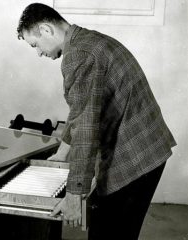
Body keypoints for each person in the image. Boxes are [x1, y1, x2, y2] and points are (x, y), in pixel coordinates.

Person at [17, 3, 176, 240]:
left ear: (46, 30)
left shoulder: (79, 57)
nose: (39, 52)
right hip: (148, 148)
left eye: (35, 45)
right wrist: (62, 155)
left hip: (134, 158)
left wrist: (74, 196)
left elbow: (86, 130)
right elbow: (82, 111)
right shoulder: (87, 41)